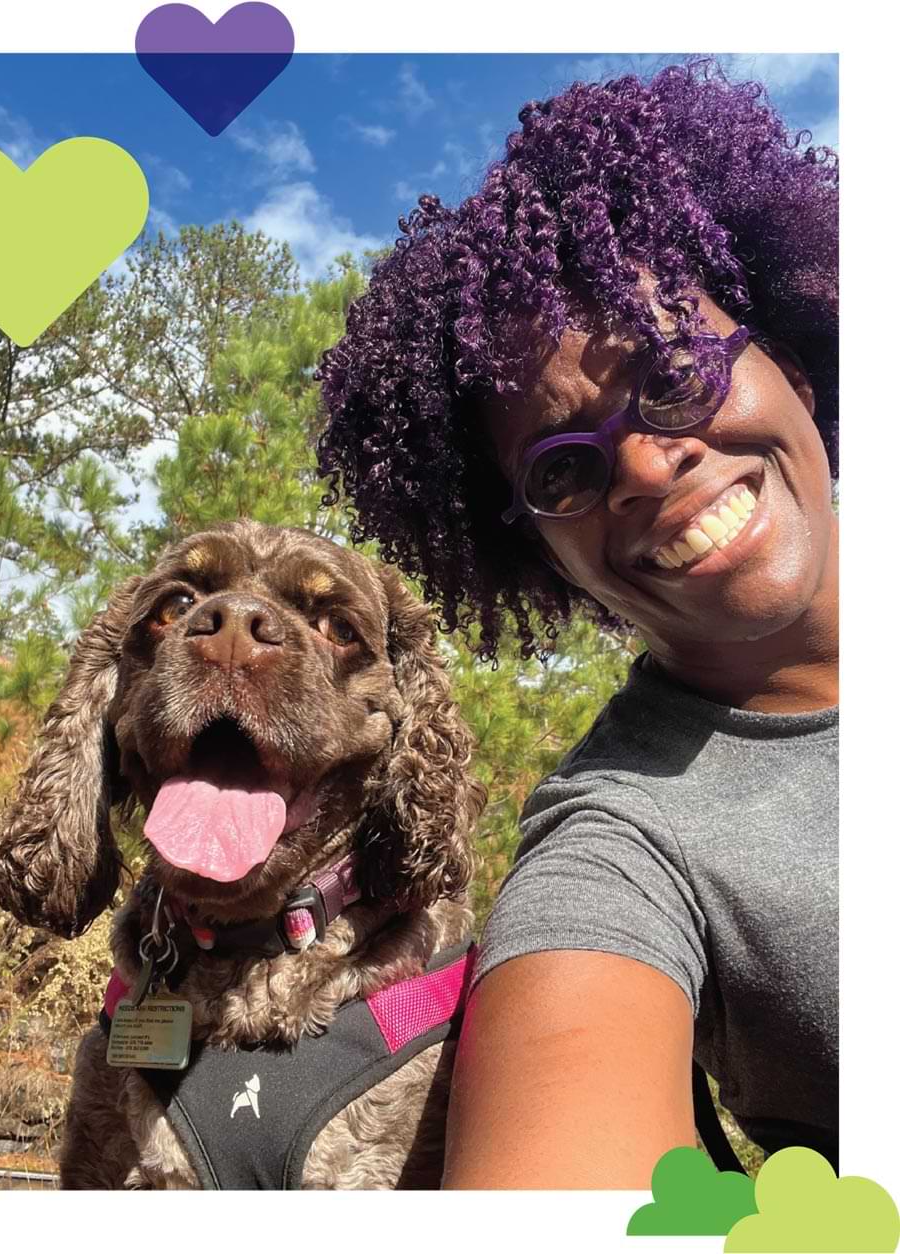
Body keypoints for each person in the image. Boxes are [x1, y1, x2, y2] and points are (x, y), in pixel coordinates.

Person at [315, 59, 838, 1188]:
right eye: (563, 470)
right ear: (534, 546)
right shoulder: (619, 845)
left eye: (676, 372)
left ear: (786, 357)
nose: (647, 467)